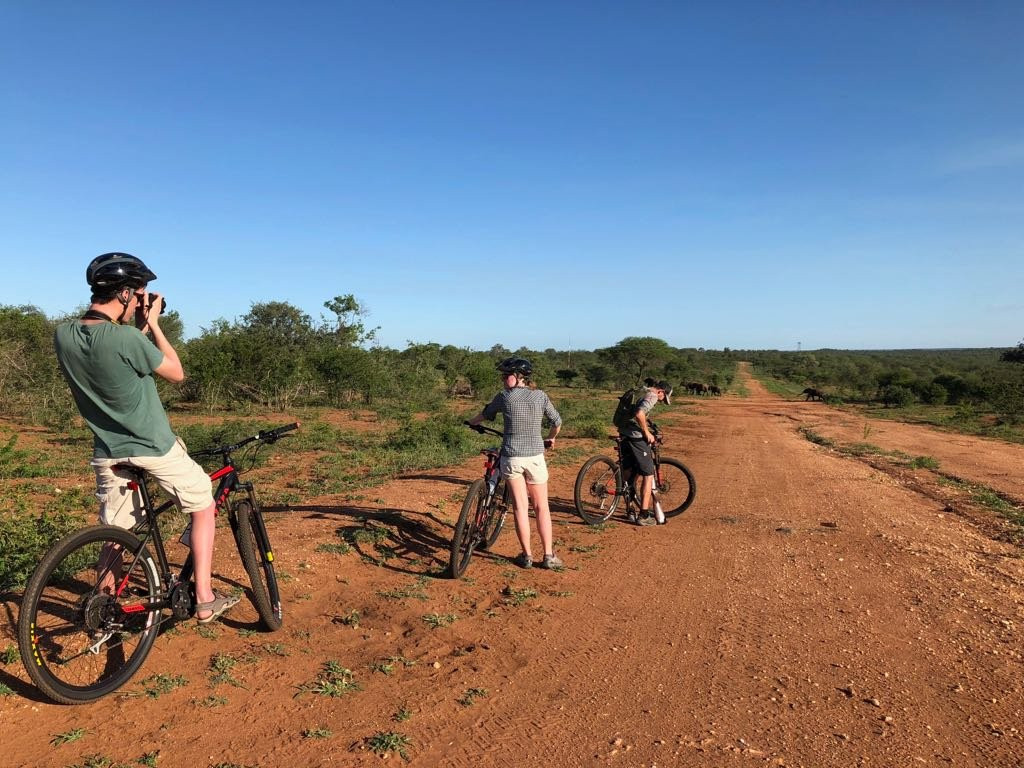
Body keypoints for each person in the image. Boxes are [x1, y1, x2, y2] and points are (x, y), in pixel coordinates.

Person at [54, 252, 239, 624]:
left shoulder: (64, 335)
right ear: (124, 293)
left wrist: (135, 325)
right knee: (203, 503)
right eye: (139, 292)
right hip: (153, 446)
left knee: (115, 530)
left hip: (108, 450)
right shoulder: (127, 338)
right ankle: (204, 598)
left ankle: (103, 603)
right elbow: (176, 372)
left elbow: (112, 355)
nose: (142, 298)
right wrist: (153, 324)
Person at [467, 357, 563, 569]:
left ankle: (527, 556)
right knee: (541, 507)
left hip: (512, 457)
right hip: (535, 457)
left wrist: (471, 422)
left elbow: (485, 414)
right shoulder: (541, 396)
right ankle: (548, 556)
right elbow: (557, 422)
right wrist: (551, 438)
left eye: (506, 375)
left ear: (519, 377)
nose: (503, 379)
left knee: (520, 507)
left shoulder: (504, 396)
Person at [617, 379, 673, 526]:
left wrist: (647, 424)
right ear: (661, 391)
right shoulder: (653, 396)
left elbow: (635, 412)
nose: (661, 400)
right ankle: (643, 514)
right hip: (634, 436)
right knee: (648, 475)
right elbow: (639, 413)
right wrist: (647, 432)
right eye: (663, 397)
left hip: (623, 431)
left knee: (629, 471)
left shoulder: (641, 390)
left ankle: (629, 510)